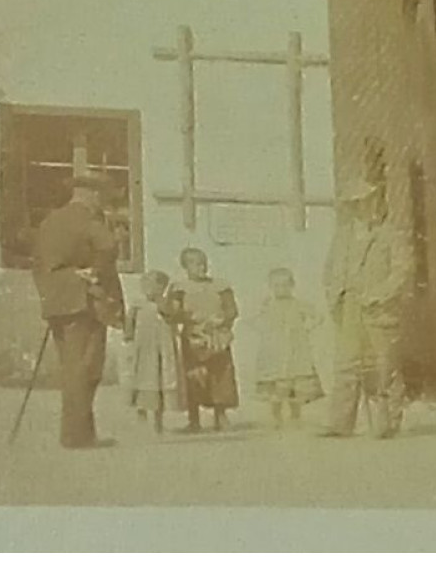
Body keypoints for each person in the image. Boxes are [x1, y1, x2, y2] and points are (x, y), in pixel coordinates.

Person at [30, 173, 125, 449]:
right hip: (83, 301)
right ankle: (77, 436)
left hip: (57, 302)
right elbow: (109, 246)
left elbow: (39, 262)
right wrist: (94, 271)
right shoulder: (87, 219)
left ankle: (78, 433)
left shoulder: (50, 221)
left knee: (72, 367)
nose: (101, 201)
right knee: (86, 368)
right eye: (100, 195)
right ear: (90, 195)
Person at [322, 178, 413, 438]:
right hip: (348, 307)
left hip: (379, 309)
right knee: (346, 364)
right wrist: (334, 296)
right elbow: (330, 269)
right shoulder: (343, 236)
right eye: (355, 203)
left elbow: (402, 270)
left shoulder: (391, 234)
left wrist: (379, 295)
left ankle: (387, 424)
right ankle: (340, 425)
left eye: (365, 201)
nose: (361, 207)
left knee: (384, 366)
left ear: (374, 202)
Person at [169, 247, 239, 433]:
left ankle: (220, 416)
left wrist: (223, 321)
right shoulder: (179, 288)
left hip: (217, 336)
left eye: (203, 262)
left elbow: (231, 310)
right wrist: (184, 317)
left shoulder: (220, 286)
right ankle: (194, 419)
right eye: (194, 263)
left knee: (220, 376)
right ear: (185, 266)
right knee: (194, 377)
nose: (201, 267)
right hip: (193, 337)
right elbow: (173, 312)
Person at [252, 266, 324, 430]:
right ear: (270, 287)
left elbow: (318, 317)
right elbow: (253, 319)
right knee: (276, 386)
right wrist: (265, 331)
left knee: (295, 385)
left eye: (285, 285)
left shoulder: (298, 304)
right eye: (276, 286)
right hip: (275, 351)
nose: (281, 289)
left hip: (295, 350)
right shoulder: (269, 305)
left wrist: (306, 328)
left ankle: (295, 415)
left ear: (292, 285)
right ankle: (276, 416)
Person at [123, 269, 183, 434]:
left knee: (160, 380)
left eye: (157, 287)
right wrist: (128, 334)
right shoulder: (138, 303)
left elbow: (171, 315)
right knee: (142, 377)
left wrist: (161, 301)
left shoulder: (164, 303)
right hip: (144, 347)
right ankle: (141, 409)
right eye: (147, 286)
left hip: (162, 348)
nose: (150, 290)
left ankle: (158, 420)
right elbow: (130, 320)